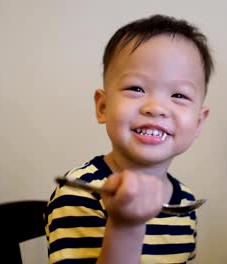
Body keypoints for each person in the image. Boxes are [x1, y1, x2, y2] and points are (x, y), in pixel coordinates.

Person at [45, 14, 214, 264]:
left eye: (179, 94)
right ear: (102, 107)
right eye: (136, 88)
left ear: (198, 122)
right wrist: (125, 225)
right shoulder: (79, 193)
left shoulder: (185, 203)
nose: (156, 107)